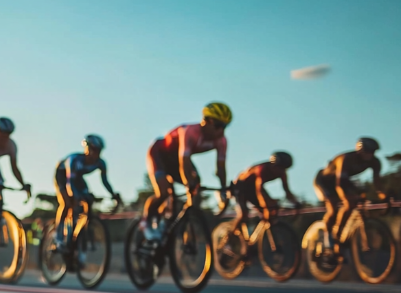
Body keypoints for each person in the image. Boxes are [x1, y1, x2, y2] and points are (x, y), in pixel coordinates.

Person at [142, 102, 232, 242]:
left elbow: (221, 168)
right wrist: (188, 184)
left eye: (225, 126)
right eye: (218, 125)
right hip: (159, 153)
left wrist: (223, 191)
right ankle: (146, 223)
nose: (221, 131)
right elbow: (184, 162)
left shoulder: (222, 141)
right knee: (164, 192)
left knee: (195, 187)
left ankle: (186, 224)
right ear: (206, 121)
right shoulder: (190, 132)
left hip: (176, 160)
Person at [314, 138, 385, 251]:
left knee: (355, 201)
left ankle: (340, 232)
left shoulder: (375, 162)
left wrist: (383, 196)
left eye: (373, 152)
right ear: (360, 151)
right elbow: (339, 185)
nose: (370, 155)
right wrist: (346, 198)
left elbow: (377, 182)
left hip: (343, 180)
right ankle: (329, 237)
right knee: (334, 208)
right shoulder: (346, 159)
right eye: (368, 152)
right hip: (324, 182)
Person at [53, 135, 122, 252]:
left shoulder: (101, 163)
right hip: (63, 175)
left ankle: (78, 233)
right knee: (67, 202)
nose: (97, 154)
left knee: (87, 201)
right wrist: (74, 195)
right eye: (94, 151)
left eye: (99, 151)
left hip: (77, 178)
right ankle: (58, 234)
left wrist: (113, 194)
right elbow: (70, 183)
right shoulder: (74, 160)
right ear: (87, 149)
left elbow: (105, 181)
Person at [228, 151, 298, 236]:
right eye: (280, 168)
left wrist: (296, 203)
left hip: (253, 188)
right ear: (273, 165)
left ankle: (258, 237)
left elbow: (287, 190)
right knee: (244, 214)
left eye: (284, 169)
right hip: (240, 186)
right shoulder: (262, 169)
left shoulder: (282, 173)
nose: (281, 171)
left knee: (270, 212)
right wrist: (266, 208)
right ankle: (230, 236)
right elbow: (259, 190)